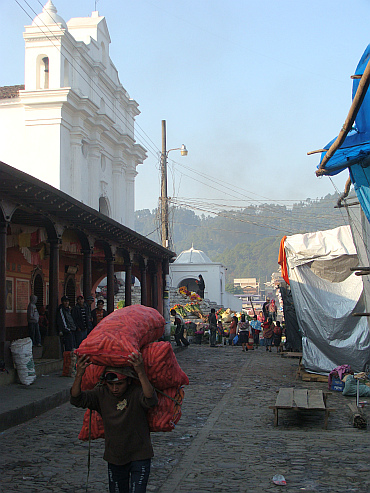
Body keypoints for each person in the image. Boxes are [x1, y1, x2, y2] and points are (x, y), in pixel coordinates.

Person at [70, 351, 158, 493]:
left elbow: (151, 400)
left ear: (128, 381)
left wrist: (141, 372)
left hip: (140, 455)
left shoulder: (136, 392)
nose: (115, 388)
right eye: (111, 384)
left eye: (119, 384)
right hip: (115, 457)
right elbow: (76, 399)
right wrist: (79, 374)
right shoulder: (101, 394)